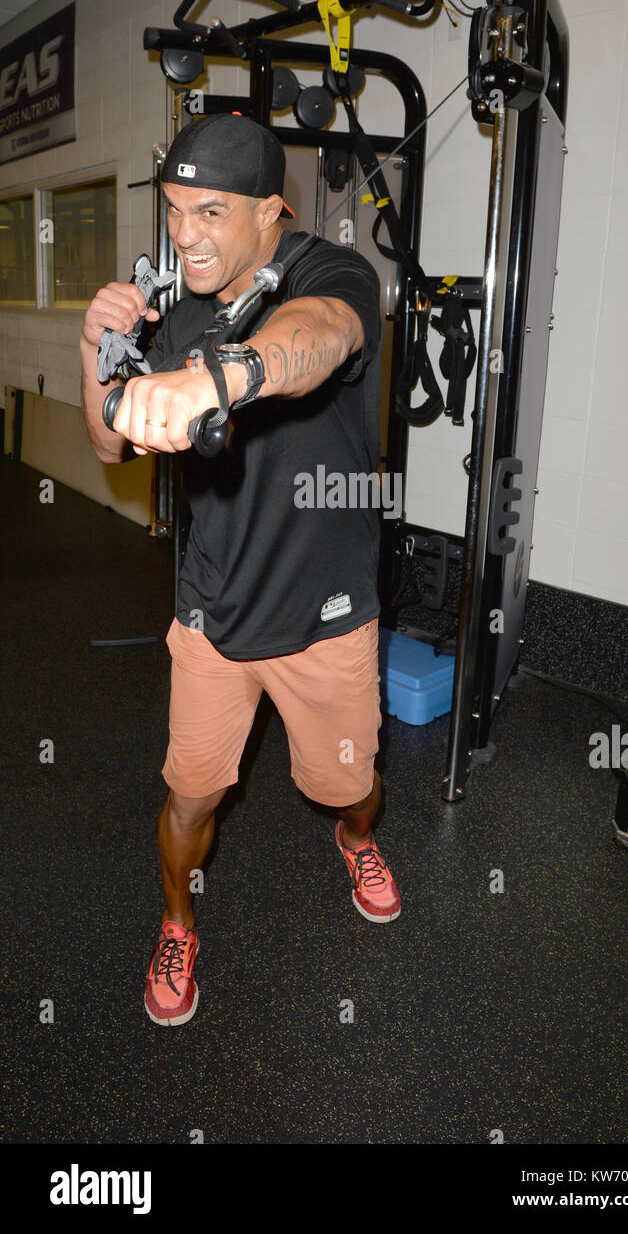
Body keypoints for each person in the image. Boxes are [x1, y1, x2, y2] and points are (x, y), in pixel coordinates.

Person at [79, 113, 401, 1027]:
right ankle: (179, 921)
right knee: (190, 794)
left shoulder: (326, 270)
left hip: (326, 610)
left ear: (272, 211)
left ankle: (356, 840)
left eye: (210, 212)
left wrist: (220, 377)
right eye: (175, 210)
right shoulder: (168, 305)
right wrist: (95, 353)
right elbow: (108, 447)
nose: (185, 236)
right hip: (213, 610)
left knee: (351, 786)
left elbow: (323, 336)